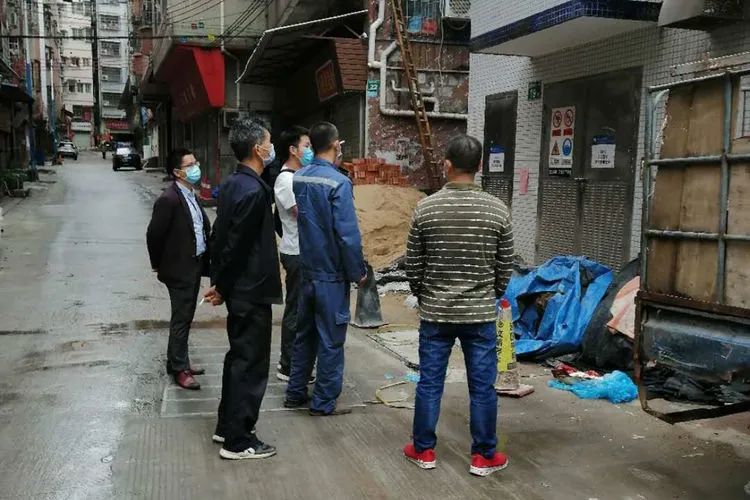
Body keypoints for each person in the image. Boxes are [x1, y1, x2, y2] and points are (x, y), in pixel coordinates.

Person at [403, 134, 514, 477]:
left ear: (447, 165)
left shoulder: (426, 208)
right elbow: (505, 265)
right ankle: (483, 456)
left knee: (429, 382)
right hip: (479, 316)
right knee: (482, 387)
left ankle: (423, 450)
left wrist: (424, 294)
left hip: (435, 314)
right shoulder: (498, 210)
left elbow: (413, 264)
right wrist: (489, 293)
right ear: (479, 166)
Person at [203, 118, 282, 460]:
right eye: (268, 142)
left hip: (241, 290)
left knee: (238, 359)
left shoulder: (235, 183)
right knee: (250, 364)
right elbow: (236, 245)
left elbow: (221, 236)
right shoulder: (252, 192)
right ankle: (239, 440)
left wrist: (220, 282)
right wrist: (222, 285)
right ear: (257, 149)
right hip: (251, 289)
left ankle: (227, 426)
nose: (272, 148)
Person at [284, 122, 366, 416]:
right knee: (331, 341)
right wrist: (358, 272)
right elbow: (347, 236)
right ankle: (323, 402)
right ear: (335, 145)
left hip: (307, 269)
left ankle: (295, 392)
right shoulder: (338, 183)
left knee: (304, 336)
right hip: (331, 276)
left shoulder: (300, 177)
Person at [146, 148, 210, 390]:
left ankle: (177, 360)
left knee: (185, 316)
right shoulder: (169, 199)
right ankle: (179, 369)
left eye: (196, 162)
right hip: (179, 269)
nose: (196, 168)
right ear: (177, 172)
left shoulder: (190, 194)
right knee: (181, 319)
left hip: (194, 264)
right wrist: (158, 264)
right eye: (190, 165)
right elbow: (154, 235)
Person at [274, 126, 313, 382]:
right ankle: (287, 365)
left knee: (303, 310)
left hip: (304, 252)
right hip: (295, 252)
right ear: (293, 150)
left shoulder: (299, 176)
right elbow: (303, 213)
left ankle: (298, 362)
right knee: (296, 310)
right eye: (306, 146)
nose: (310, 150)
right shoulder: (286, 180)